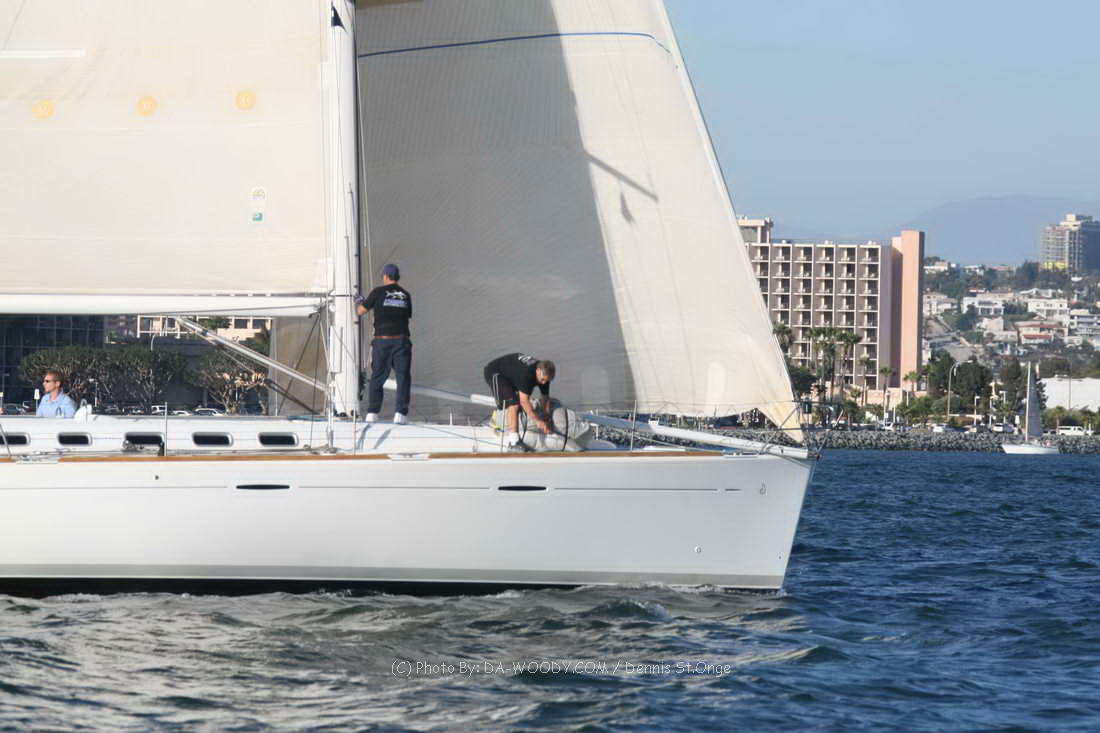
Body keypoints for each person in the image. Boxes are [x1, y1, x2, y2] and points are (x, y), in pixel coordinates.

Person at [357, 263, 412, 423]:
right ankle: (400, 414)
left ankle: (372, 413)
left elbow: (360, 311)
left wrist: (362, 302)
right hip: (401, 341)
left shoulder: (377, 292)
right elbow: (406, 315)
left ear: (386, 276)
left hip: (382, 341)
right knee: (403, 377)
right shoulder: (405, 295)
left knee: (378, 377)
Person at [483, 353, 556, 446]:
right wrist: (538, 421)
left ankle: (498, 419)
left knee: (519, 404)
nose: (544, 383)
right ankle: (514, 442)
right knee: (513, 404)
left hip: (512, 373)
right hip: (495, 372)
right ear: (538, 370)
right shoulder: (527, 375)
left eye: (547, 380)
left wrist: (546, 418)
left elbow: (545, 398)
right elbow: (524, 402)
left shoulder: (545, 375)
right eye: (542, 380)